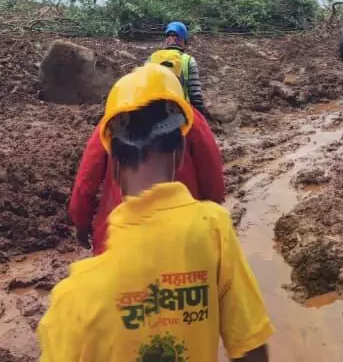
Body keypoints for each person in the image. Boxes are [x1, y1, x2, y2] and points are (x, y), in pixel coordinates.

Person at [39, 65, 273, 362]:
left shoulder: (72, 298)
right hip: (187, 236)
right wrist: (208, 207)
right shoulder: (215, 231)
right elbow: (252, 348)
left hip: (113, 239)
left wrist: (80, 222)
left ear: (116, 164)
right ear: (177, 154)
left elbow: (85, 180)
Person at [70, 63, 225, 254]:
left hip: (118, 240)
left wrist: (81, 223)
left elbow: (86, 180)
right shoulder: (189, 120)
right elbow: (212, 173)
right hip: (182, 236)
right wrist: (210, 216)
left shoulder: (113, 125)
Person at [154, 21, 208, 117]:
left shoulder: (153, 58)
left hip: (154, 112)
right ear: (183, 41)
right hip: (180, 113)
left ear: (166, 39)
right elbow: (195, 94)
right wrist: (201, 115)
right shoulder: (189, 60)